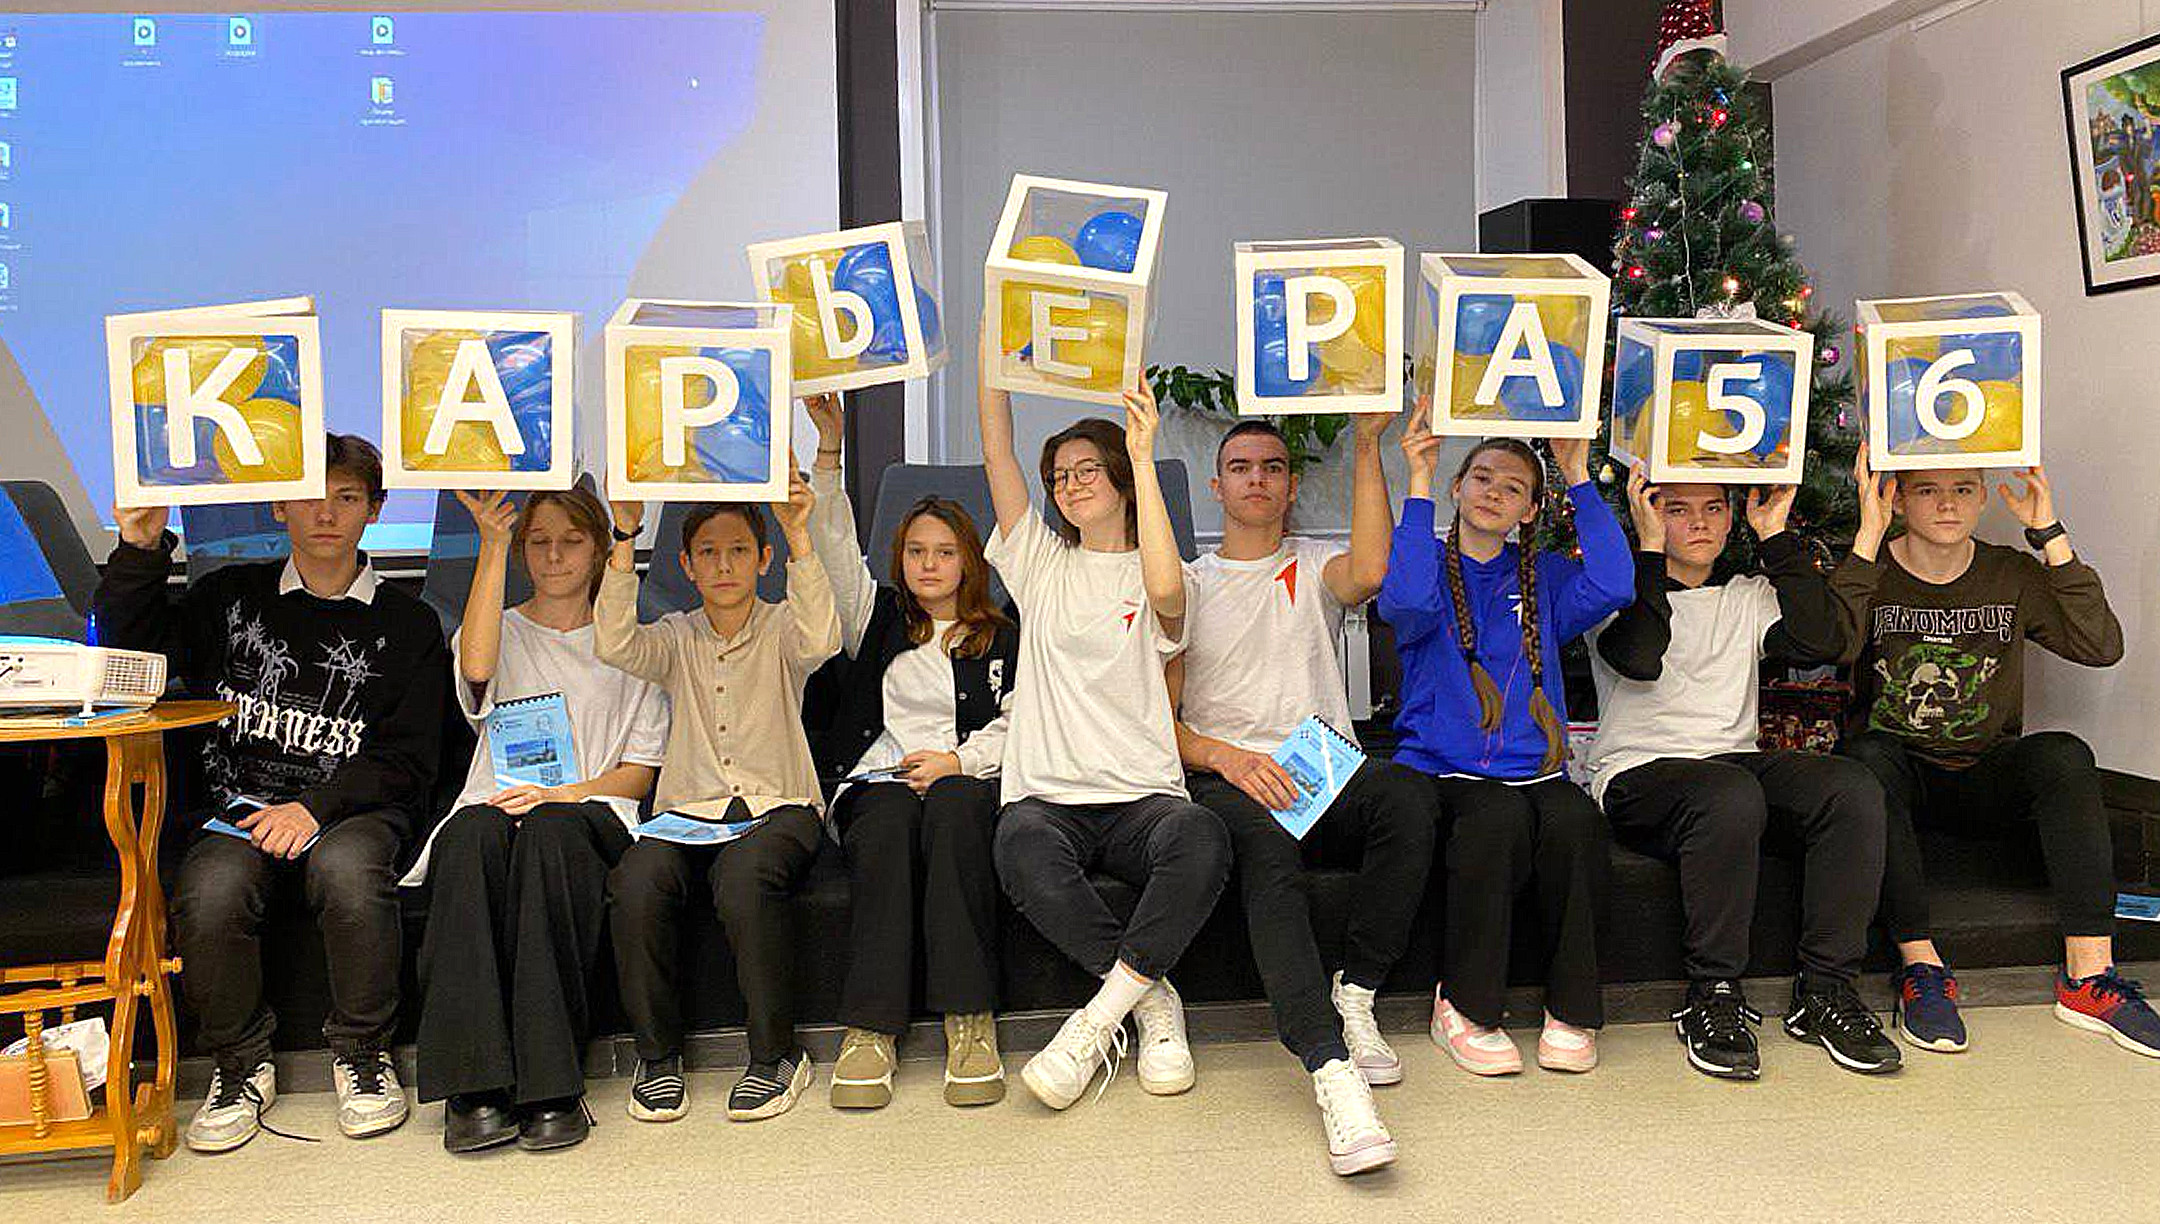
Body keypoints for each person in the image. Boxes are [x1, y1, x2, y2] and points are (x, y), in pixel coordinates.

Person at [93, 435, 447, 1151]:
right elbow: (130, 655)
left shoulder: (409, 623)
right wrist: (138, 548)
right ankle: (239, 1066)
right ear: (280, 504)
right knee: (211, 891)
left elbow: (409, 758)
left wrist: (314, 808)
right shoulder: (229, 597)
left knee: (350, 874)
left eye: (347, 498)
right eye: (311, 496)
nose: (327, 514)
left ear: (375, 510)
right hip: (240, 809)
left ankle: (363, 1054)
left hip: (351, 811)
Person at [976, 321, 1231, 1111]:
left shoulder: (1166, 573)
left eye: (1089, 469)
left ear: (1120, 479)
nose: (1070, 483)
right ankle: (1151, 1000)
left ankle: (1097, 1018)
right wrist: (992, 337)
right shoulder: (1040, 564)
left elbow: (1164, 594)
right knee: (1018, 845)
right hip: (1049, 798)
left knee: (1201, 837)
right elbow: (996, 450)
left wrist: (1145, 454)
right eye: (1060, 476)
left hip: (1141, 797)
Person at [1167, 413, 1426, 1176]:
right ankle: (1329, 1068)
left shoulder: (1314, 564)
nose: (1257, 478)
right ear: (1216, 487)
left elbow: (1371, 570)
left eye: (1272, 467)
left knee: (1409, 799)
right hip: (1231, 774)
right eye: (1241, 467)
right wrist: (1227, 758)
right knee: (1268, 852)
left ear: (1289, 487)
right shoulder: (1186, 583)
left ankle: (1358, 994)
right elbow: (1161, 724)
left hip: (1321, 765)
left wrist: (1370, 442)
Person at [1835, 449, 2154, 1059]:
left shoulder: (2010, 574)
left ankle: (2089, 976)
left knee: (2064, 754)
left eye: (1963, 488)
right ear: (1898, 499)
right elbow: (1832, 648)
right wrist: (1866, 543)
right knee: (1867, 755)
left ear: (1983, 497)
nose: (1947, 504)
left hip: (1984, 773)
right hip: (1896, 779)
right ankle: (1921, 968)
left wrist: (2050, 534)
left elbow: (2101, 646)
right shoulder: (1875, 571)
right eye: (1926, 490)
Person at [1585, 469, 1898, 1080]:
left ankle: (1826, 991)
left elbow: (1824, 641)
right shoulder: (1620, 591)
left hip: (1732, 768)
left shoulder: (1747, 595)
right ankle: (1714, 994)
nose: (1699, 523)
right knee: (1728, 793)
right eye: (1677, 510)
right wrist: (1648, 550)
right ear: (1651, 515)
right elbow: (1640, 658)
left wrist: (1774, 536)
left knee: (1851, 788)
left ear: (1731, 518)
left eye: (1712, 508)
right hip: (1638, 771)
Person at [407, 486, 669, 1152]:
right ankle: (474, 1087)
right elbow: (475, 666)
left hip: (588, 811)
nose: (554, 556)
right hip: (499, 804)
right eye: (539, 541)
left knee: (552, 833)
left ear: (599, 550)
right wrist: (493, 543)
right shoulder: (500, 628)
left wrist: (564, 796)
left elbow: (638, 775)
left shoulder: (632, 646)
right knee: (468, 837)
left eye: (572, 541)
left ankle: (551, 1084)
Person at [1378, 413, 1631, 1076]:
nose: (1493, 492)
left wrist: (1576, 474)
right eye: (1482, 478)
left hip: (1536, 773)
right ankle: (1463, 1006)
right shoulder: (1427, 566)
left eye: (1513, 487)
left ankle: (1571, 1010)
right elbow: (1404, 603)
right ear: (1459, 488)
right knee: (1494, 820)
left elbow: (1614, 583)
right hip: (1444, 773)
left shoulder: (1545, 575)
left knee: (1577, 825)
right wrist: (1419, 478)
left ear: (1529, 511)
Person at [599, 474, 842, 1122]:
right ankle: (657, 1058)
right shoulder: (674, 636)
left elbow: (823, 638)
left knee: (744, 876)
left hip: (779, 806)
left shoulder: (784, 627)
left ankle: (776, 1055)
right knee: (637, 881)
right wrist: (624, 535)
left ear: (763, 560)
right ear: (686, 565)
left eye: (738, 551)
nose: (724, 565)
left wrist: (797, 533)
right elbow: (614, 643)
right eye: (708, 552)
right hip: (688, 812)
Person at [802, 392, 1019, 1110]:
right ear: (899, 558)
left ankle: (970, 1021)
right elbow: (835, 545)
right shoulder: (876, 617)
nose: (929, 565)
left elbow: (1022, 722)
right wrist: (828, 453)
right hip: (878, 783)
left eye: (945, 552)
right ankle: (869, 1029)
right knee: (890, 820)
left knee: (955, 810)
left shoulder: (1001, 633)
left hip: (965, 782)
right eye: (917, 551)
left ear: (969, 560)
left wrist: (959, 762)